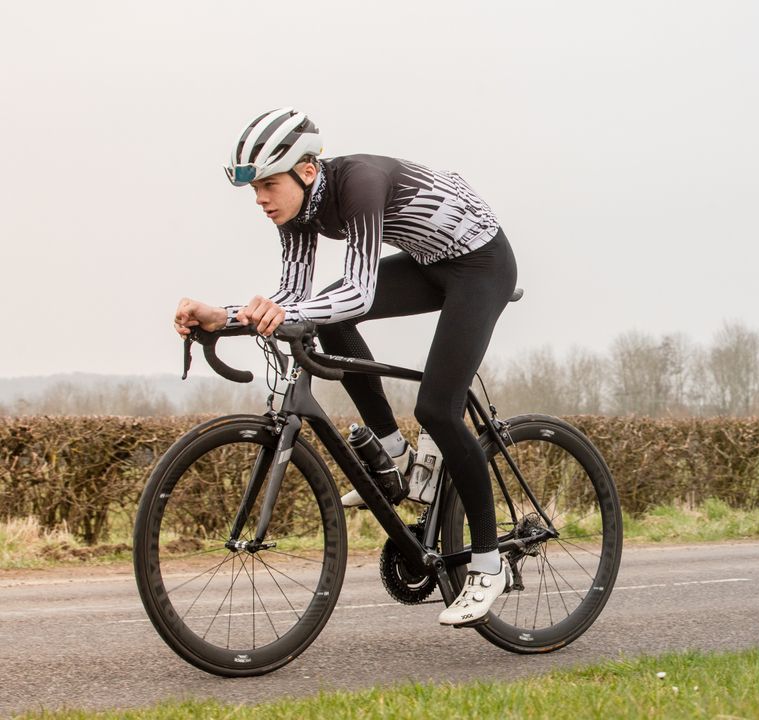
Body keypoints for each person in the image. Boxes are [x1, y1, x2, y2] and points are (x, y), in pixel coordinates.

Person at [172, 108, 518, 627]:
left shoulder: (359, 184)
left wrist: (281, 312)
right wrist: (219, 317)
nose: (261, 200)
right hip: (428, 264)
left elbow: (358, 291)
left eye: (268, 184)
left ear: (306, 171)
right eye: (254, 190)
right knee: (324, 318)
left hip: (480, 265)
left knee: (439, 410)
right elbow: (292, 298)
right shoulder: (298, 213)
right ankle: (397, 460)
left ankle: (489, 566)